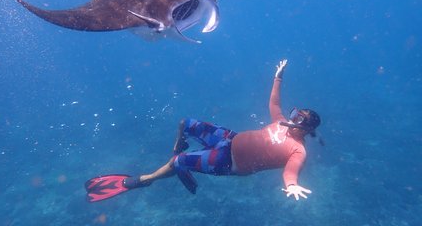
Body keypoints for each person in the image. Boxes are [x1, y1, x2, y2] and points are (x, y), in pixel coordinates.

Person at [85, 59, 321, 202]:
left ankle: (145, 180)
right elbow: (274, 104)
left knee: (179, 161)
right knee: (186, 123)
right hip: (230, 139)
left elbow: (291, 172)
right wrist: (278, 77)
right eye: (295, 113)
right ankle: (179, 151)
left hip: (228, 162)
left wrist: (291, 186)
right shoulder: (280, 122)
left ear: (306, 127)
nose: (293, 118)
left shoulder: (297, 150)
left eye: (299, 118)